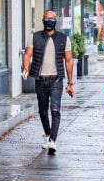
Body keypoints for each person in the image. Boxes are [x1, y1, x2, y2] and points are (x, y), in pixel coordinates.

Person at [22, 10, 74, 155]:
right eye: (47, 18)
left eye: (52, 18)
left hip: (56, 79)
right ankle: (47, 134)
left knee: (55, 109)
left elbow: (69, 61)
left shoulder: (64, 39)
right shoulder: (34, 37)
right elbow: (27, 54)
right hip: (40, 80)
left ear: (56, 21)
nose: (49, 21)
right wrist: (26, 68)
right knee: (43, 111)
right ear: (42, 20)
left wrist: (70, 83)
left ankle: (53, 141)